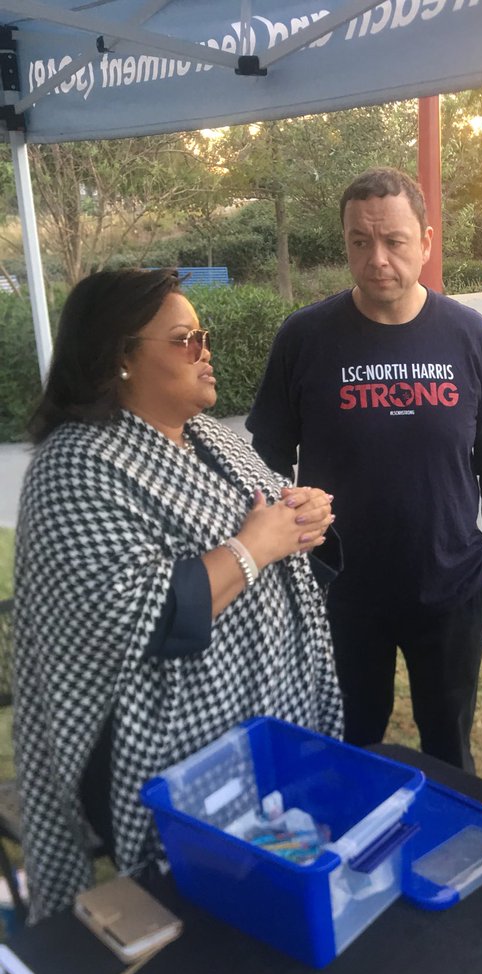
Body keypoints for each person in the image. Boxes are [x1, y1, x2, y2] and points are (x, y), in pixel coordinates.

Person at [14, 268, 343, 921]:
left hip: (264, 714)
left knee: (269, 902)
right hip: (165, 753)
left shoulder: (211, 437)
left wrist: (306, 517)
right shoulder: (75, 467)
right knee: (206, 922)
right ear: (122, 360)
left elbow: (273, 524)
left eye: (204, 335)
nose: (206, 351)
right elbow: (137, 617)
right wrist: (255, 547)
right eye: (185, 339)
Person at [247, 166, 482, 772]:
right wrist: (281, 540)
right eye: (359, 241)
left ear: (425, 242)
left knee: (449, 749)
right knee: (351, 743)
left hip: (450, 587)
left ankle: (450, 859)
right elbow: (264, 457)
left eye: (394, 241)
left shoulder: (469, 335)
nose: (377, 259)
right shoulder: (305, 337)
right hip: (340, 590)